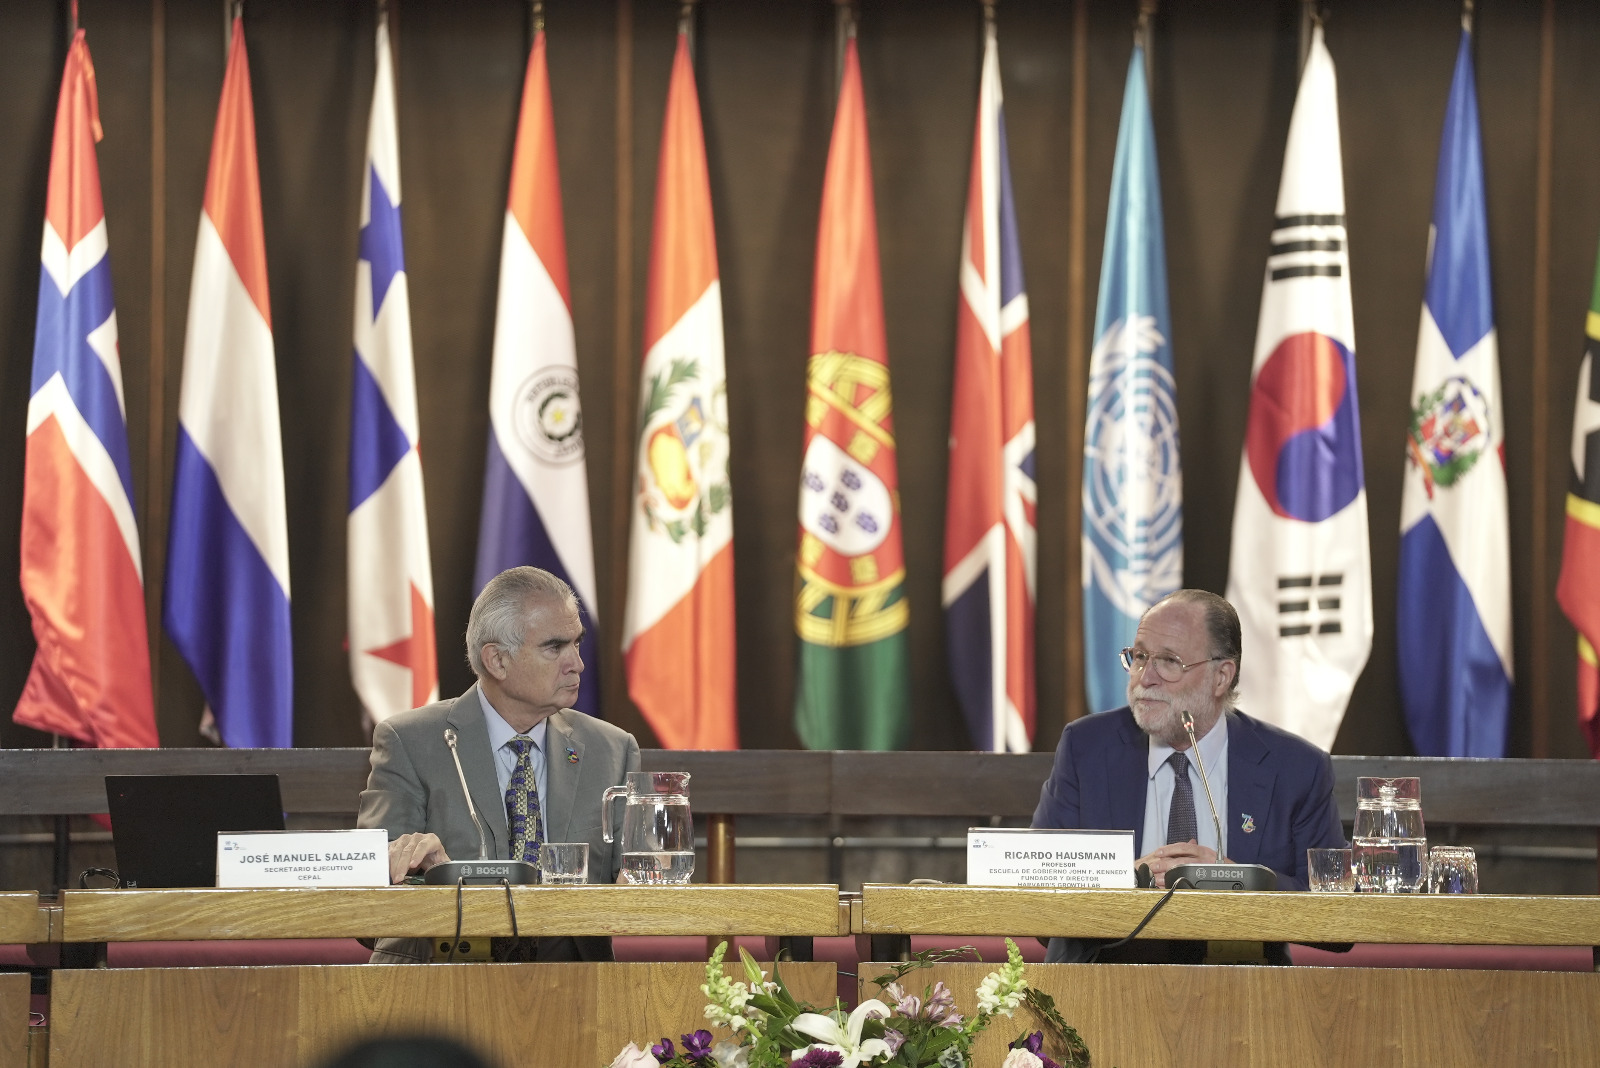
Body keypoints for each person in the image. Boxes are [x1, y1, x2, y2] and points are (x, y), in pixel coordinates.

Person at [1032, 588, 1346, 963]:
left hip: (1244, 994)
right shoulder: (1086, 747)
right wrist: (1125, 879)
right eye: (1140, 656)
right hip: (1104, 988)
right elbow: (1036, 903)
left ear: (1221, 677)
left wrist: (1243, 882)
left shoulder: (1295, 767)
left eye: (1169, 661)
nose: (1145, 677)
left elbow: (1338, 921)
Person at [357, 566, 640, 963]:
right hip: (438, 987)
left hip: (575, 993)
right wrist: (434, 879)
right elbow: (364, 913)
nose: (577, 663)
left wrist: (641, 890)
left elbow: (638, 891)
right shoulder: (411, 741)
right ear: (497, 660)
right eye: (554, 647)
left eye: (577, 643)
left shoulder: (611, 749)